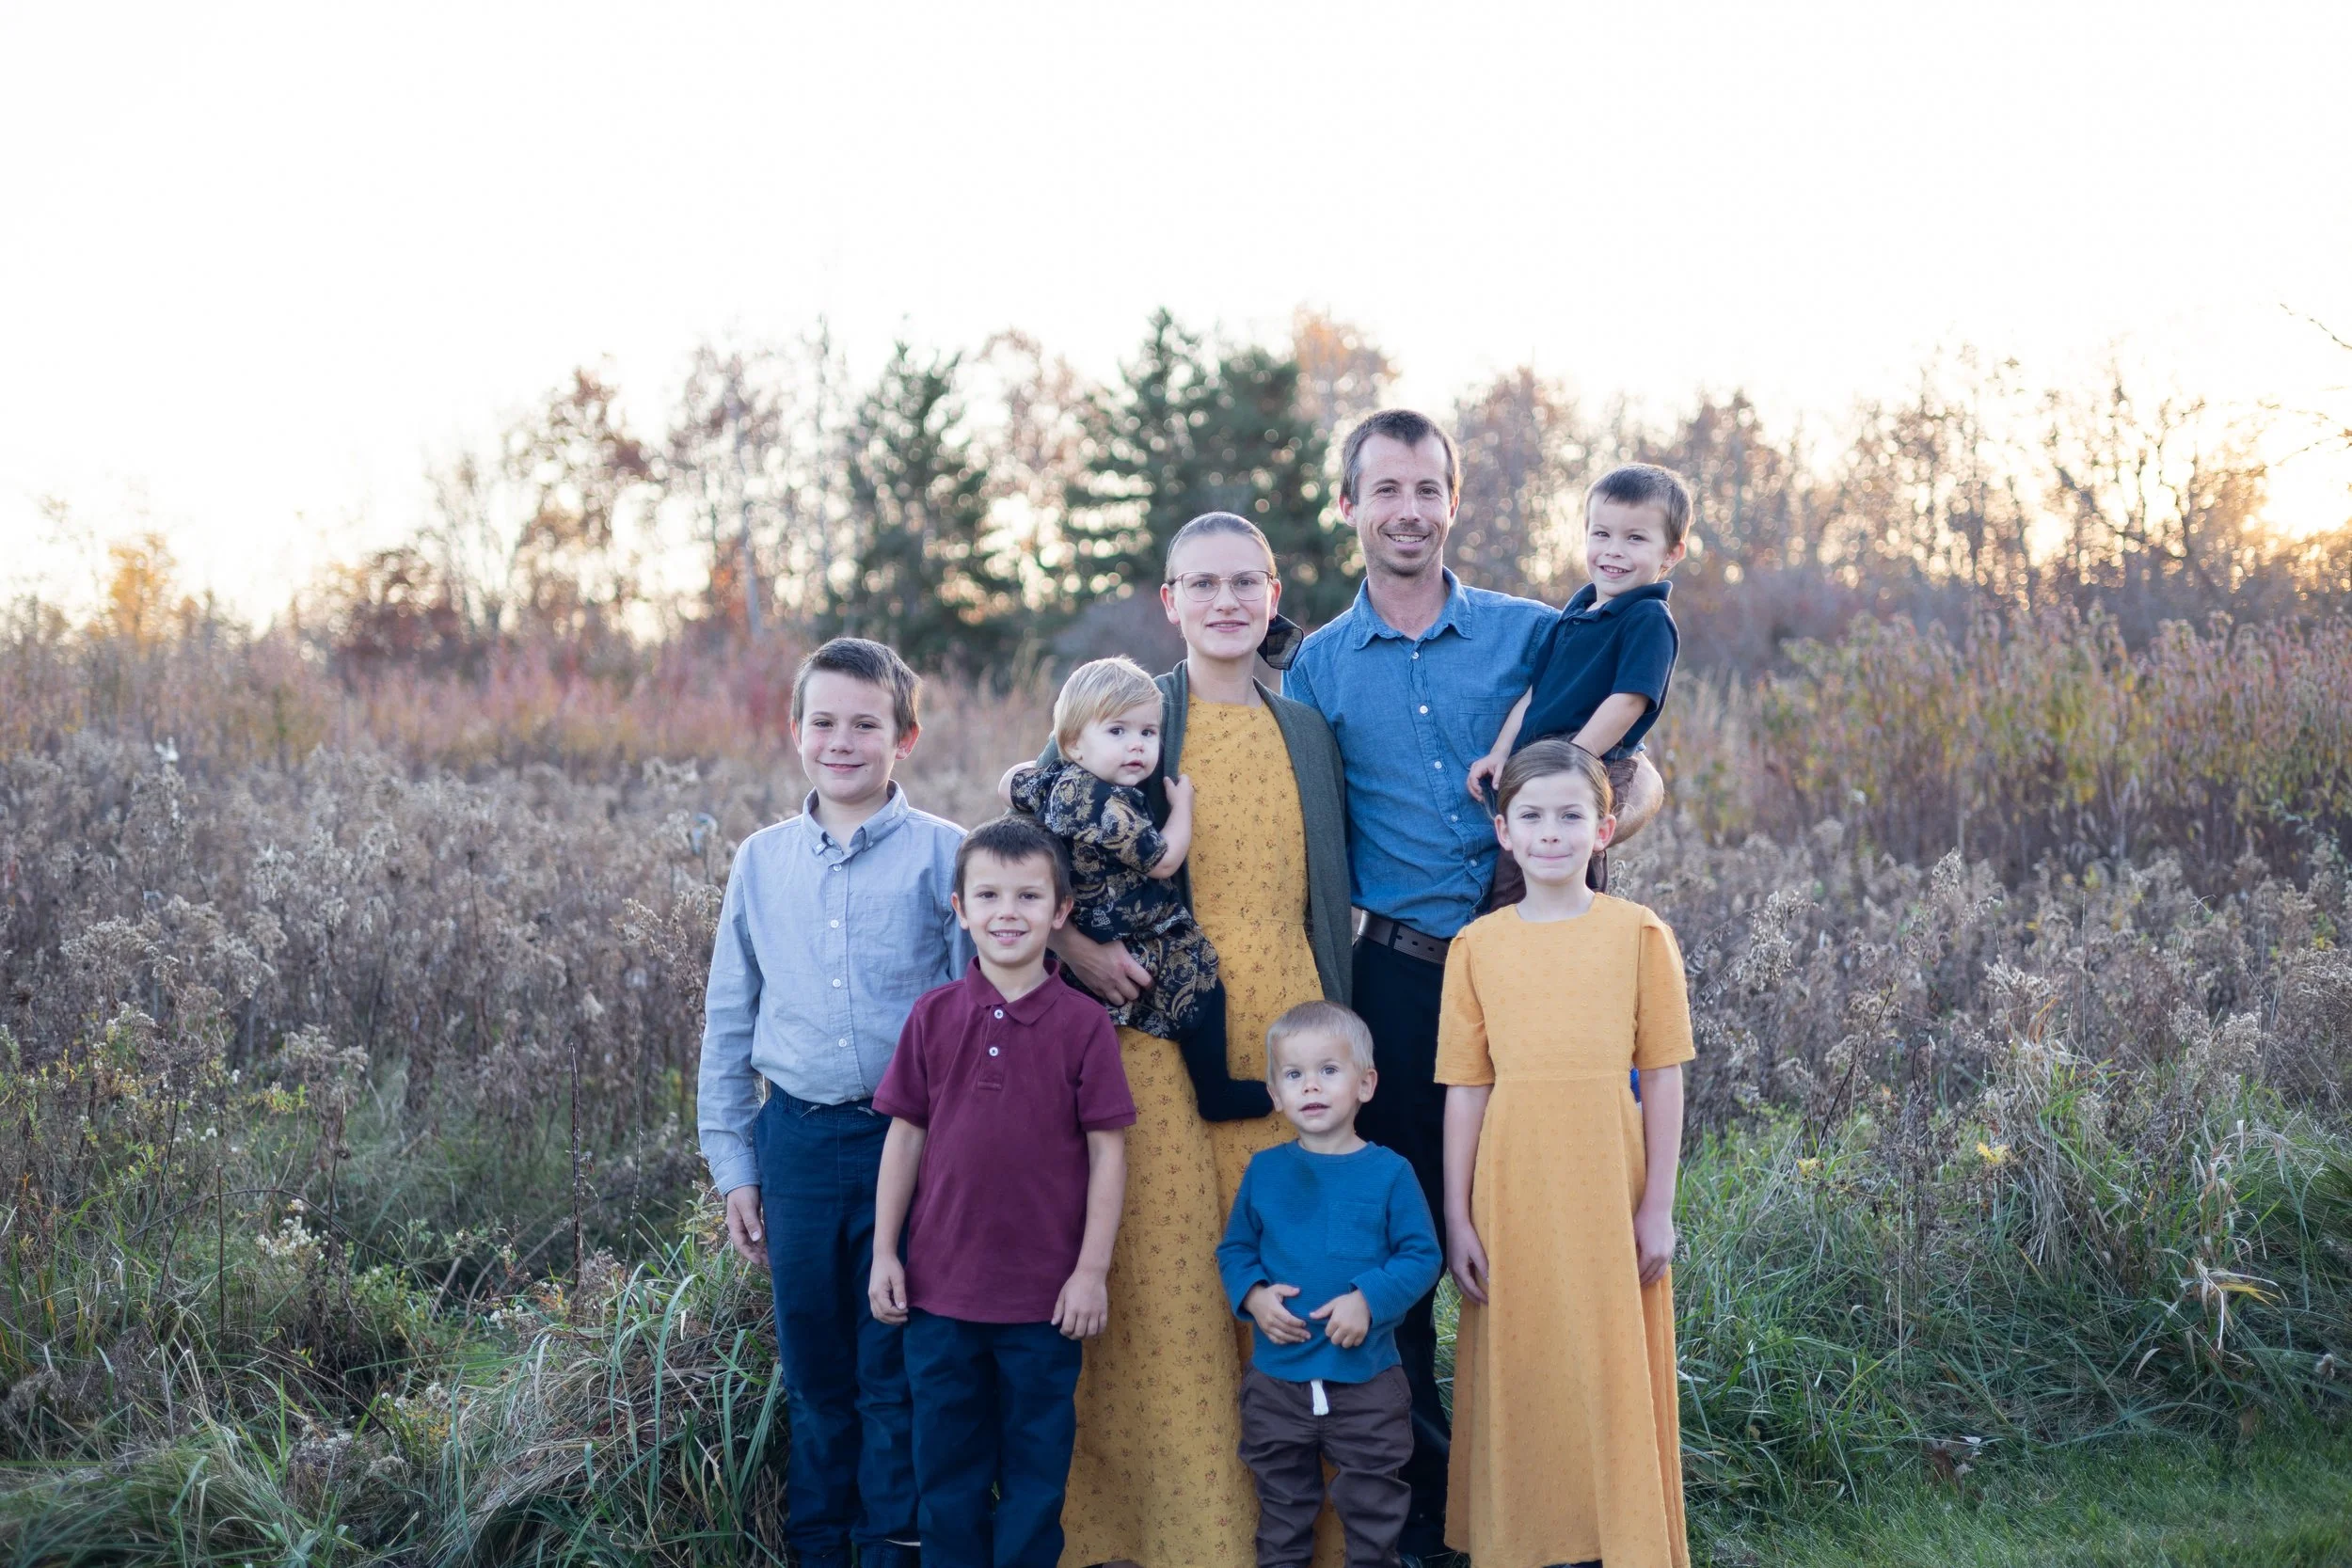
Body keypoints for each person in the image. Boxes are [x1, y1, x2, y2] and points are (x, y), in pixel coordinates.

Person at [1283, 407, 1661, 1555]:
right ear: (1347, 506)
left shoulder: (1535, 633)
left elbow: (1634, 771)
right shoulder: (1316, 664)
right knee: (1401, 1250)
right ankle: (1433, 1519)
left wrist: (1602, 833)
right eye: (1383, 488)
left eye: (1426, 488)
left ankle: (1565, 1503)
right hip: (1396, 980)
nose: (1407, 509)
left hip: (1538, 976)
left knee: (1543, 1245)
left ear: (1454, 501)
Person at [1012, 512, 1353, 1567]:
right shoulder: (1132, 708)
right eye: (1200, 583)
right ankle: (1171, 1531)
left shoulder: (1306, 727)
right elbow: (1031, 841)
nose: (1224, 601)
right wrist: (1072, 947)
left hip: (1286, 1027)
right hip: (1157, 1023)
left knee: (1292, 1268)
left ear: (1271, 590)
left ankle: (1296, 1531)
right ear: (1169, 600)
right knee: (1165, 1274)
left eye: (1244, 581)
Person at [698, 637, 971, 1568]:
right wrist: (735, 1165)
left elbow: (978, 1012)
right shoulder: (761, 861)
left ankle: (889, 1549)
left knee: (893, 1373)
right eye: (824, 721)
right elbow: (728, 1022)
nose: (842, 740)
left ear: (905, 737)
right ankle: (818, 1549)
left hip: (913, 1148)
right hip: (799, 1146)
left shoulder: (947, 857)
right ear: (795, 732)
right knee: (815, 1377)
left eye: (866, 723)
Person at [1438, 738, 1694, 1568]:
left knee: (1612, 1354)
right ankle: (1523, 1539)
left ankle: (1618, 1537)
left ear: (1605, 828)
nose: (1552, 832)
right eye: (1533, 816)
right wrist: (1457, 1214)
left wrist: (1656, 1205)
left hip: (1607, 1175)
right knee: (1523, 1350)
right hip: (1511, 1182)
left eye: (1570, 815)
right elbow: (1467, 1088)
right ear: (1504, 831)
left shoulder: (1638, 933)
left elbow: (1661, 1076)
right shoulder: (1477, 946)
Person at [869, 815, 1136, 1568]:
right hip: (939, 1297)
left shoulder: (1085, 1025)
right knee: (946, 1477)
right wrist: (885, 1252)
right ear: (960, 908)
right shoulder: (932, 1017)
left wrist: (1091, 1270)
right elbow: (905, 1137)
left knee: (1035, 1476)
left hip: (1043, 1303)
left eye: (1028, 895)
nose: (1007, 912)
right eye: (987, 894)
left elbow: (1107, 1152)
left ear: (1060, 912)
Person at [1217, 1002, 1441, 1568]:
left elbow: (1422, 1256)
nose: (1310, 1087)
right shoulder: (1264, 1170)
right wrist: (1253, 1295)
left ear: (1366, 1083)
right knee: (1283, 1507)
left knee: (1372, 1508)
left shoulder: (1389, 1172)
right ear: (1275, 1093)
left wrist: (1369, 1297)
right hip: (1278, 1381)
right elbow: (1236, 1248)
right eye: (1294, 1075)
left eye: (1329, 1071)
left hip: (1364, 1381)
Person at [1012, 655, 1270, 1120]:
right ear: (1073, 743)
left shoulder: (1058, 782)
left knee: (1084, 1030)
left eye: (1148, 733)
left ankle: (1066, 1106)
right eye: (1117, 732)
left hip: (1089, 928)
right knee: (1202, 984)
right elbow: (1164, 860)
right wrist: (1183, 805)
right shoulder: (1108, 807)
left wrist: (1017, 776)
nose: (1137, 746)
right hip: (1134, 930)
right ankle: (1217, 1092)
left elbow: (1012, 785)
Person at [1465, 463, 1690, 902]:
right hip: (1543, 758)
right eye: (1602, 534)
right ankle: (1513, 958)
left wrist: (1574, 759)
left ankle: (1567, 957)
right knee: (1513, 881)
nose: (1614, 550)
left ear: (1671, 553)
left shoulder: (1647, 618)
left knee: (1563, 872)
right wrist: (1500, 753)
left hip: (1594, 758)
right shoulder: (1572, 615)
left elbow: (1630, 701)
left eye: (1636, 538)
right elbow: (1534, 695)